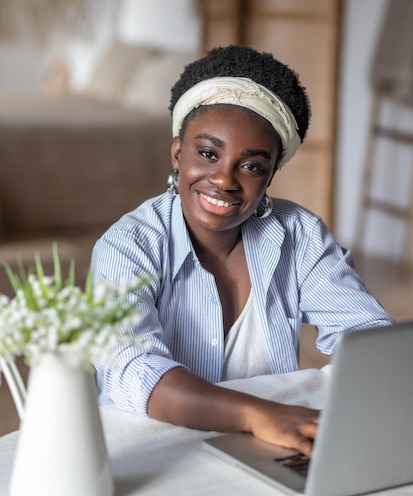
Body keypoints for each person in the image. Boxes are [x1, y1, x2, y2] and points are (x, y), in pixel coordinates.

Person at [92, 45, 393, 457]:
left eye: (251, 166)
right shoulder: (128, 246)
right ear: (178, 154)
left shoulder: (300, 235)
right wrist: (258, 414)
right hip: (151, 452)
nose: (224, 180)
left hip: (262, 446)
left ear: (271, 175)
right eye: (208, 154)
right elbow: (132, 371)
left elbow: (371, 342)